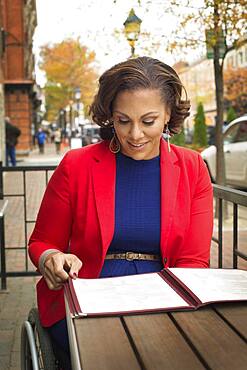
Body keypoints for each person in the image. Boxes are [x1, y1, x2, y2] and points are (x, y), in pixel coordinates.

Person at [28, 56, 213, 369]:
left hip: (164, 295)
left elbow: (194, 261)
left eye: (149, 121)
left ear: (168, 114)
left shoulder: (192, 168)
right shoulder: (77, 165)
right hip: (86, 295)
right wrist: (51, 259)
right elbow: (42, 242)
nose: (135, 134)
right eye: (123, 120)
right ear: (109, 117)